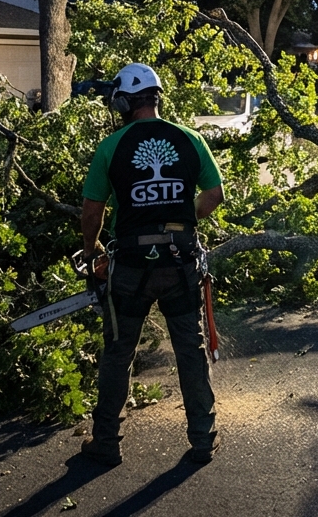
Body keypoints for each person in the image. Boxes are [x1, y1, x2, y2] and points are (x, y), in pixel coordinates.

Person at [78, 63, 225, 467]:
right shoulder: (190, 138)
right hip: (180, 265)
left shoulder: (111, 146)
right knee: (189, 350)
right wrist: (183, 222)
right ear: (157, 97)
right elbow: (214, 193)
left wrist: (91, 254)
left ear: (123, 101)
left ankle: (106, 442)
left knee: (118, 352)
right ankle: (202, 439)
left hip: (130, 266)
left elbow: (93, 211)